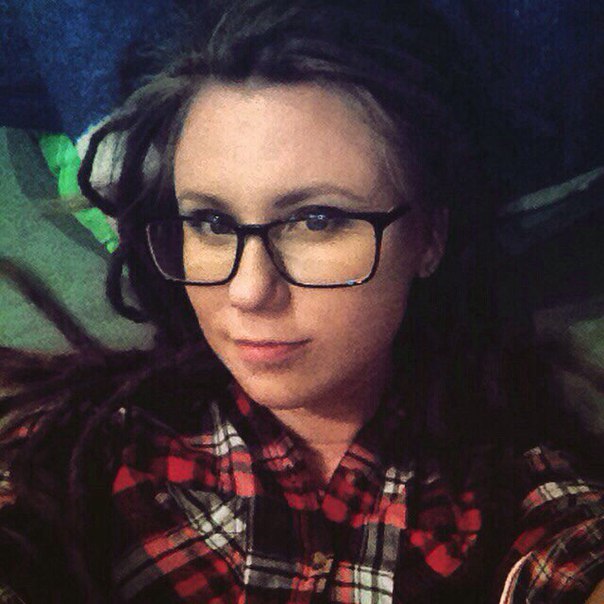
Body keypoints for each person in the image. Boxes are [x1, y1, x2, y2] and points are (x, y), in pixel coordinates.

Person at [0, 1, 602, 602]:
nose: (248, 292)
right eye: (211, 222)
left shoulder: (512, 501)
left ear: (429, 237)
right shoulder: (85, 453)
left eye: (316, 220)